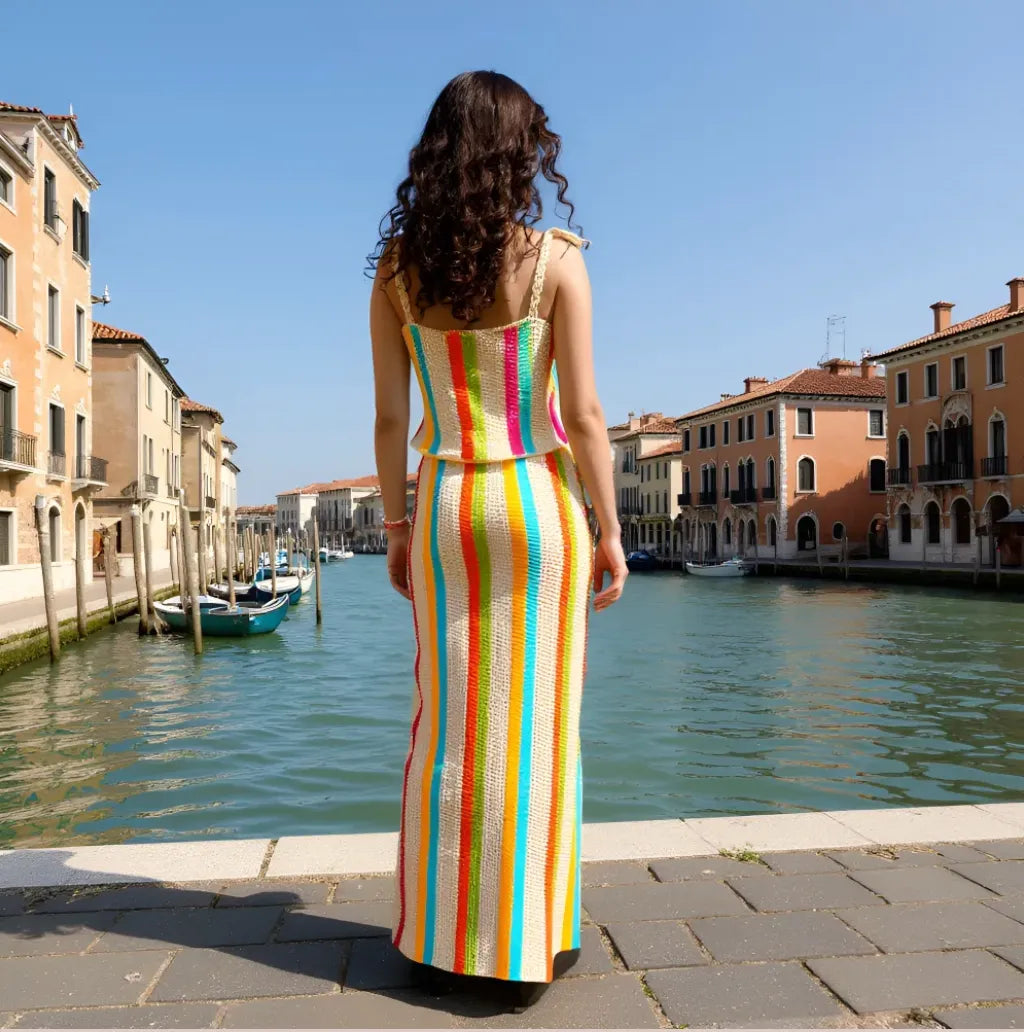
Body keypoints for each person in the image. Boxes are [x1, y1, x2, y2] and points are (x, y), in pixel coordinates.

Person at [369, 70, 627, 1010]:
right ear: (522, 155)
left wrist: (396, 526)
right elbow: (589, 415)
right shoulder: (559, 260)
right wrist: (611, 531)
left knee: (448, 725)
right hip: (537, 501)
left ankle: (436, 940)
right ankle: (526, 942)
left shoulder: (397, 273)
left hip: (443, 509)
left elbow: (390, 423)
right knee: (538, 729)